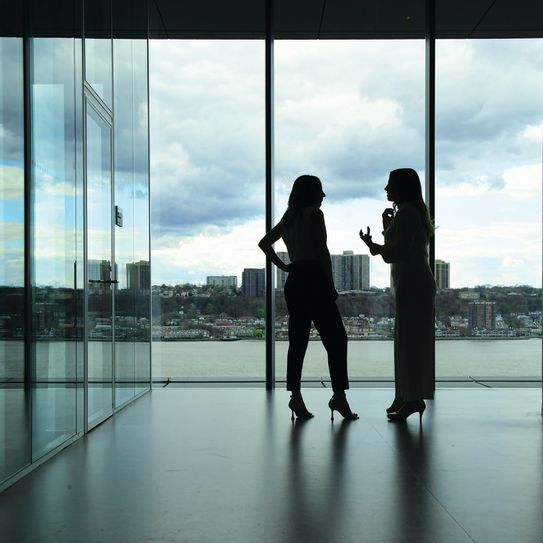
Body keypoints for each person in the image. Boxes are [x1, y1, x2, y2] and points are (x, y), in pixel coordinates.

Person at [258, 175, 358, 421]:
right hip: (315, 278)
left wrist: (285, 267)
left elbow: (264, 244)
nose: (323, 195)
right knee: (336, 339)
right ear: (311, 193)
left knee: (298, 341)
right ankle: (339, 398)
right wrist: (331, 284)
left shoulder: (288, 218)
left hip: (296, 280)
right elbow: (322, 251)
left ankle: (296, 397)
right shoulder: (315, 215)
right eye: (320, 191)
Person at [360, 168, 435, 423]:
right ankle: (407, 395)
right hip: (414, 282)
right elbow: (401, 247)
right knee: (409, 341)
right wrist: (385, 231)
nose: (386, 188)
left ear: (401, 187)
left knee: (408, 343)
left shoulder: (407, 214)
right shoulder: (412, 213)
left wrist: (375, 246)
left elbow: (396, 253)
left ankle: (411, 398)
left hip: (411, 283)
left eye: (390, 183)